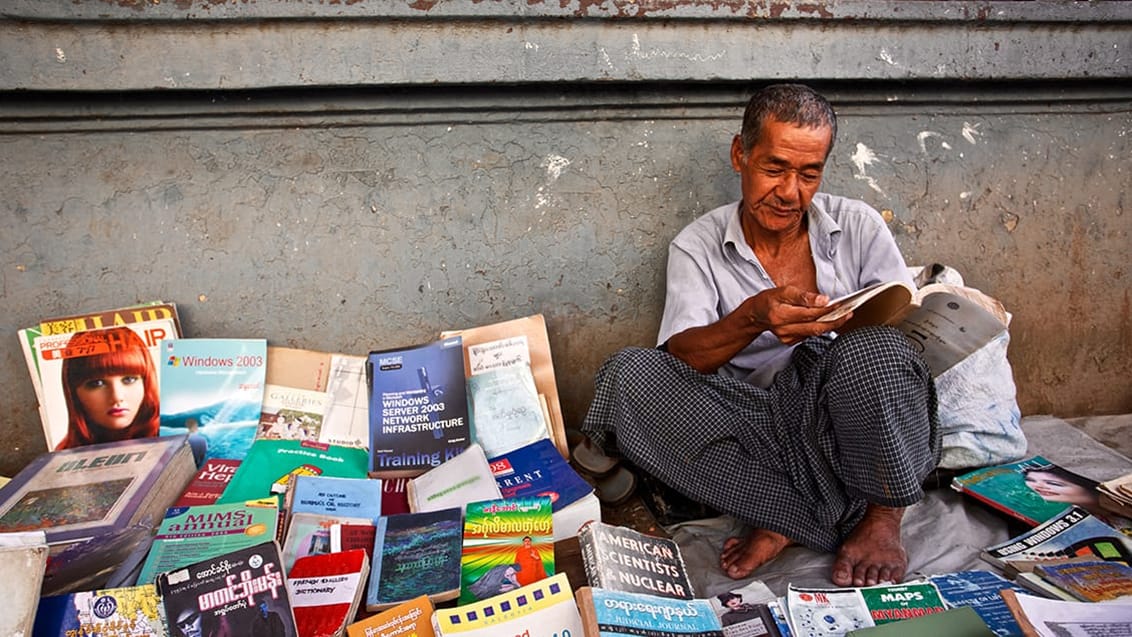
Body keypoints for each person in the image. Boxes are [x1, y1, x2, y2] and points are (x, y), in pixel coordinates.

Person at [581, 84, 939, 588]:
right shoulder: (698, 245)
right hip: (760, 427)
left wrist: (854, 339)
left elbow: (899, 339)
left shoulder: (858, 225)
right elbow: (680, 357)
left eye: (808, 174)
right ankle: (814, 513)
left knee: (878, 353)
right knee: (630, 374)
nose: (791, 192)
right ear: (740, 155)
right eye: (775, 169)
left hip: (846, 425)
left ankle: (876, 520)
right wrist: (753, 318)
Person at [56, 326, 160, 450]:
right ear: (73, 392)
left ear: (146, 383)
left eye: (129, 380)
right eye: (97, 383)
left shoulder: (177, 439)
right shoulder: (62, 456)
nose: (117, 397)